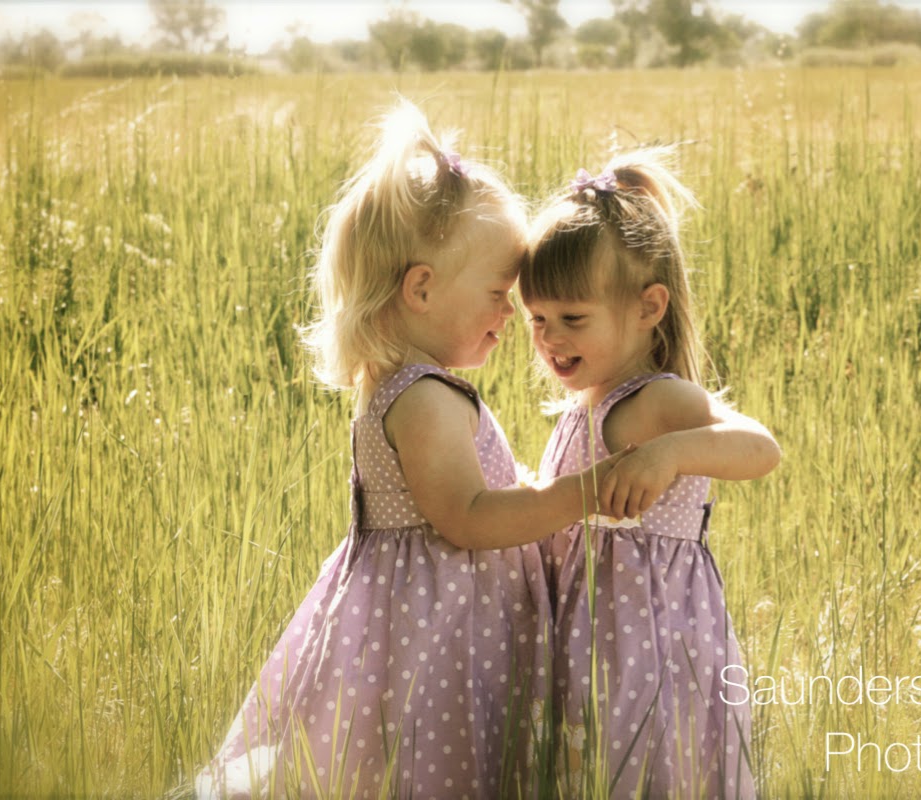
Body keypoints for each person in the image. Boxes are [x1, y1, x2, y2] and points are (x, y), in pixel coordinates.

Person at [196, 101, 628, 799]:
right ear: (422, 288)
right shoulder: (424, 398)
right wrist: (580, 494)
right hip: (439, 632)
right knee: (434, 767)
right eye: (498, 293)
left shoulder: (408, 386)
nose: (509, 315)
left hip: (428, 617)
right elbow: (466, 517)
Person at [520, 151, 781, 799]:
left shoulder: (658, 399)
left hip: (651, 644)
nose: (550, 338)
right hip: (590, 639)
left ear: (649, 307)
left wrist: (669, 455)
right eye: (538, 319)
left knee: (649, 770)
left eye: (572, 319)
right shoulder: (583, 407)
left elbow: (760, 448)